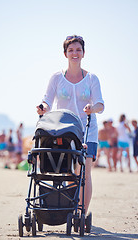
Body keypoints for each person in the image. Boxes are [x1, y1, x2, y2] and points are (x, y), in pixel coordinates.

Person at [36, 35, 104, 217]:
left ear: (83, 53)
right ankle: (69, 209)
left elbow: (100, 104)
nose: (75, 53)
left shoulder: (91, 78)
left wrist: (92, 108)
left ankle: (81, 213)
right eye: (71, 50)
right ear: (65, 53)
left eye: (78, 50)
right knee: (69, 173)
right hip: (64, 131)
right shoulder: (57, 77)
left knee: (84, 173)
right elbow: (47, 101)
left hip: (87, 131)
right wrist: (42, 108)